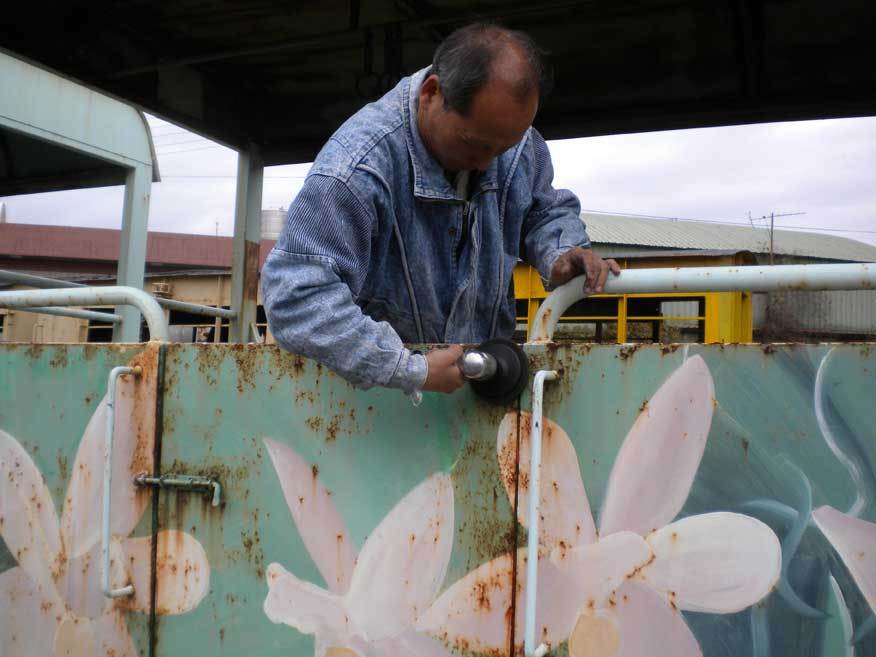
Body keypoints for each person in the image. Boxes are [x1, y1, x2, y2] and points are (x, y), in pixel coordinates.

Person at [262, 23, 619, 397]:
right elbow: (296, 298)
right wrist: (406, 367)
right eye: (476, 145)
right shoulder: (355, 170)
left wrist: (561, 251)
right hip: (374, 411)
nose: (487, 165)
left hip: (481, 391)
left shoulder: (513, 144)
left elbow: (540, 208)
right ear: (433, 92)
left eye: (503, 148)